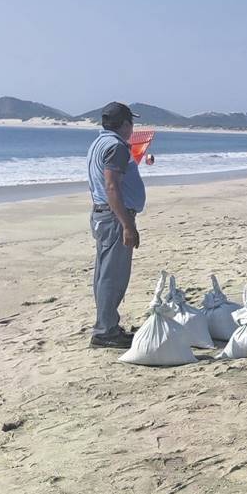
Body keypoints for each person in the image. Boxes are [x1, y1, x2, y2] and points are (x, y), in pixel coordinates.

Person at [86, 102, 145, 349]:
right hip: (113, 217)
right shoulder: (116, 147)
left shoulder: (99, 142)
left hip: (103, 214)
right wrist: (127, 225)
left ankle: (107, 324)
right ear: (124, 124)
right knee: (113, 275)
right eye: (131, 122)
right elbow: (112, 186)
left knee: (104, 273)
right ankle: (105, 331)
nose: (133, 127)